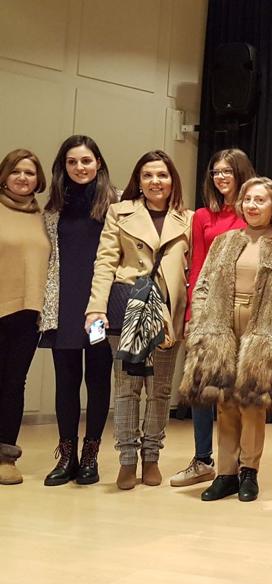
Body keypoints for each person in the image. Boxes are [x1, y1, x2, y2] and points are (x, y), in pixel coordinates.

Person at [85, 150, 193, 490]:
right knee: (127, 388)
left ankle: (152, 456)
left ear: (172, 180)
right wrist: (95, 308)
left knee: (160, 389)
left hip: (167, 310)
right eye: (148, 175)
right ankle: (127, 459)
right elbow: (105, 262)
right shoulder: (120, 212)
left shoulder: (188, 219)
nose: (155, 181)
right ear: (138, 181)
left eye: (162, 175)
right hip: (128, 306)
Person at [180, 177, 272, 503]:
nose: (253, 205)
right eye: (248, 199)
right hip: (222, 325)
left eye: (261, 200)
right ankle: (225, 473)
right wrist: (200, 324)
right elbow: (203, 283)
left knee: (252, 401)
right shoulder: (225, 241)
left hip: (261, 328)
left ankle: (249, 471)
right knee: (224, 400)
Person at [171, 149, 256, 488]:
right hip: (210, 311)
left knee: (240, 392)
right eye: (216, 172)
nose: (221, 177)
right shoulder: (203, 216)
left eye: (227, 171)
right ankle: (202, 459)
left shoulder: (255, 210)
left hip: (245, 310)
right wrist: (193, 313)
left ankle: (242, 466)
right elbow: (198, 268)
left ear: (241, 174)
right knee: (204, 385)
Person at [39, 135, 118, 486]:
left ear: (98, 163)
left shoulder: (116, 204)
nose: (79, 167)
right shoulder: (52, 209)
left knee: (98, 378)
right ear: (63, 166)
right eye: (72, 162)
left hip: (98, 309)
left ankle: (90, 456)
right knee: (66, 381)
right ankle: (67, 455)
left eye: (86, 160)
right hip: (64, 308)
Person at [0, 149, 50, 485]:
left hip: (28, 313)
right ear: (4, 176)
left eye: (30, 173)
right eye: (16, 171)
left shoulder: (44, 218)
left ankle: (6, 456)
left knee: (14, 383)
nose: (22, 178)